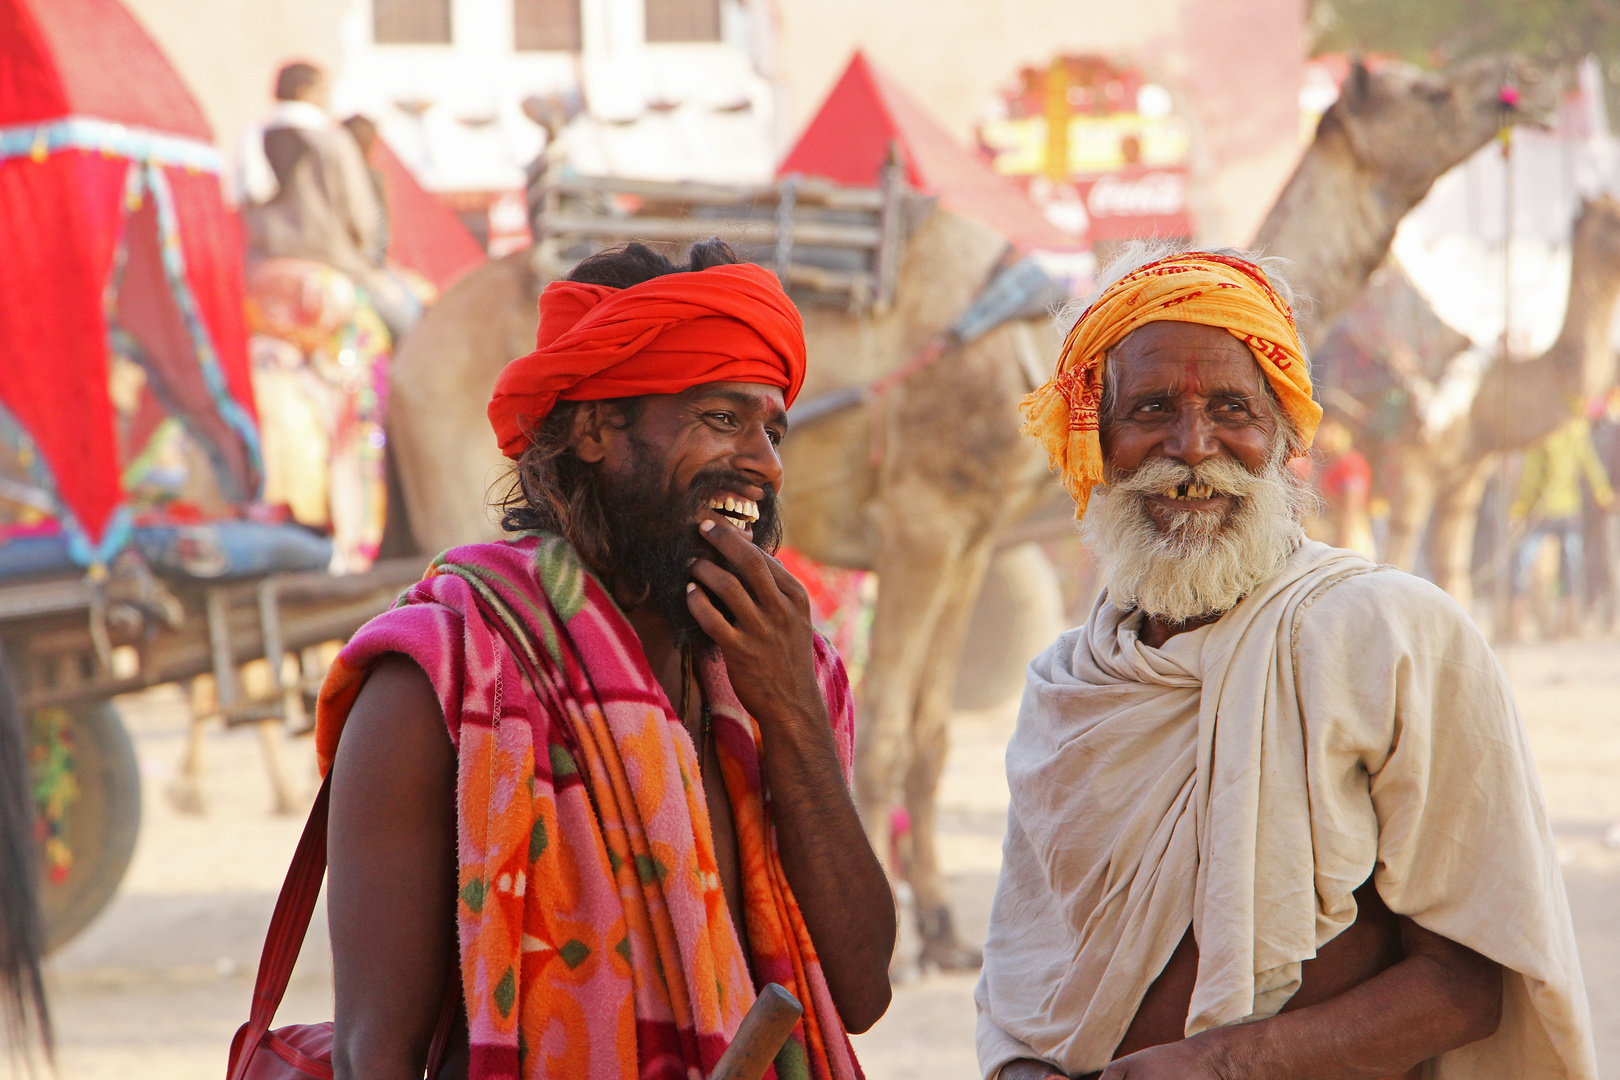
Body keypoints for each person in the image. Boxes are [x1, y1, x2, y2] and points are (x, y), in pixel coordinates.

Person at [978, 243, 1596, 1080]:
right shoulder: (1069, 687)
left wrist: (1225, 1065)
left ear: (1282, 435)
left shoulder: (1388, 633)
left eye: (1231, 408)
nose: (1193, 447)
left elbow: (1470, 980)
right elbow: (1028, 981)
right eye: (1152, 408)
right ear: (1097, 441)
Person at [314, 240, 894, 1080]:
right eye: (721, 418)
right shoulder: (442, 679)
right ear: (593, 427)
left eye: (773, 428)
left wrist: (794, 713)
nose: (764, 464)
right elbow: (377, 1056)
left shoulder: (780, 672)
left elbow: (862, 988)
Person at [241, 62, 415, 339]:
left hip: (260, 261)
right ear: (305, 92)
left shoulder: (253, 139)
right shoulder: (333, 142)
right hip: (329, 262)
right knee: (411, 321)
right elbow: (360, 216)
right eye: (323, 90)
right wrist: (368, 263)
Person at [1509, 415, 1614, 638]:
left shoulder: (1571, 429)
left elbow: (1589, 464)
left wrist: (1603, 494)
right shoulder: (1571, 428)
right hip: (1546, 512)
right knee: (1557, 566)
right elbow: (1590, 465)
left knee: (1563, 567)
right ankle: (1518, 624)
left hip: (1561, 512)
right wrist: (1602, 494)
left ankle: (1567, 622)